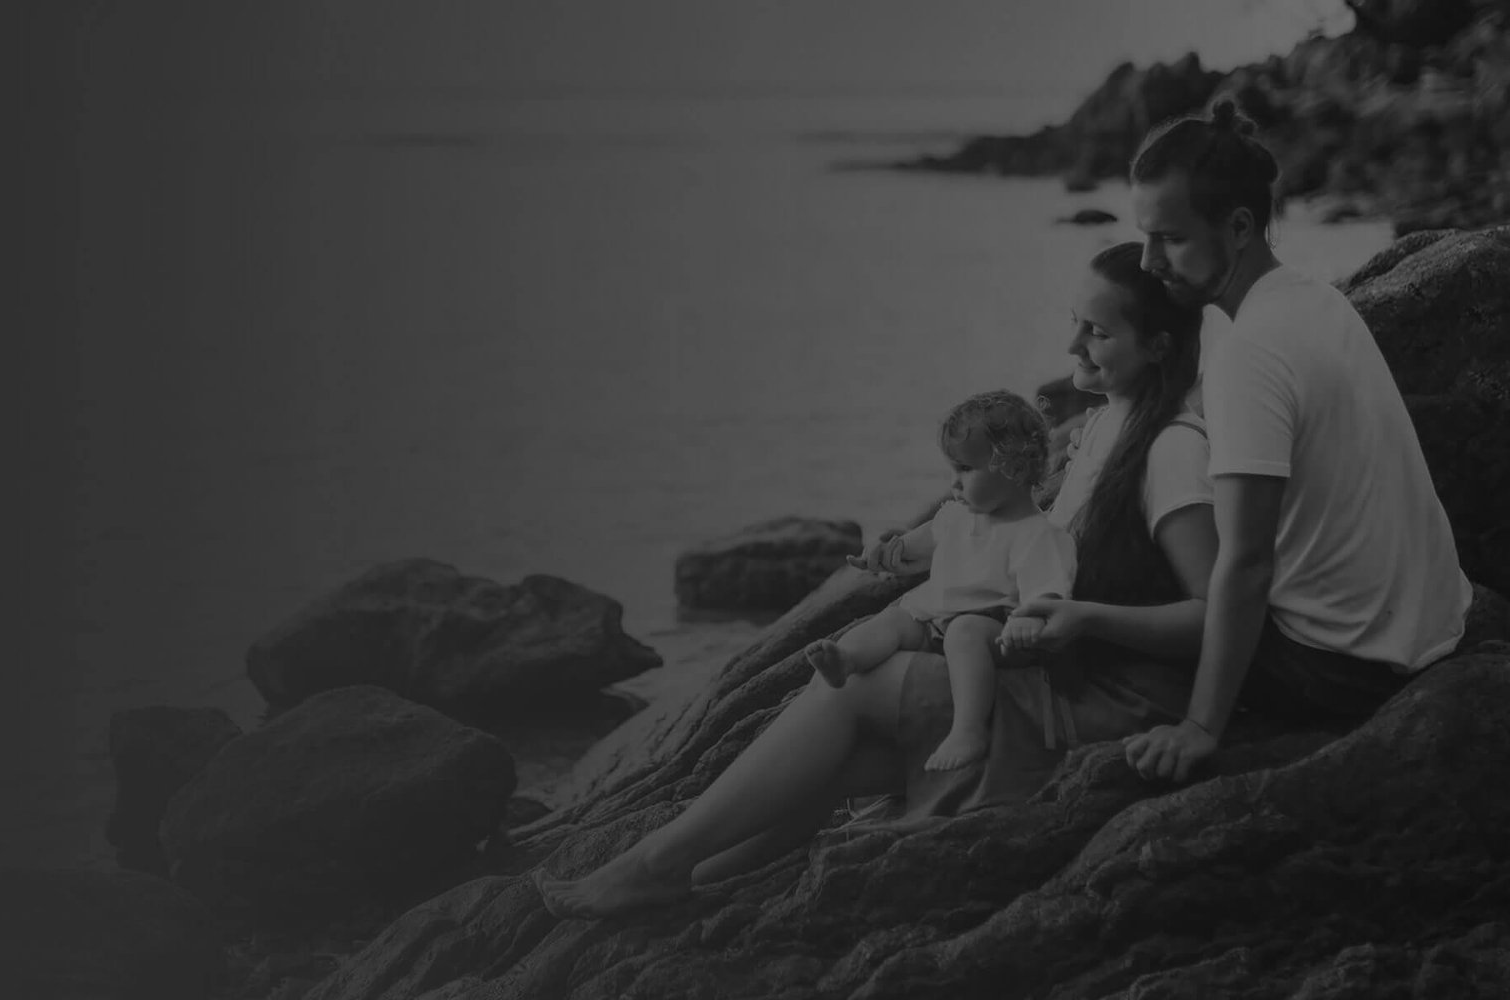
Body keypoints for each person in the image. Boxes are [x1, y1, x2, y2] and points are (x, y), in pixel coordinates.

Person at [535, 242, 1215, 918]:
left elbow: (1214, 615)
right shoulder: (1104, 422)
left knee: (854, 687)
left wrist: (1087, 619)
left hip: (1106, 701)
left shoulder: (1172, 452)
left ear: (1157, 346)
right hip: (1057, 669)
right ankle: (696, 877)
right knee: (844, 748)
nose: (1072, 344)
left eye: (1098, 332)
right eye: (1074, 322)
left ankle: (654, 867)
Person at [1120, 98, 1473, 785]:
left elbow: (1247, 563)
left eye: (1171, 239)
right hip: (1431, 629)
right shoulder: (1313, 299)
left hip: (1343, 668)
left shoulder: (1249, 353)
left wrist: (1201, 727)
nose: (1148, 260)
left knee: (1129, 589)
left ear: (1239, 227)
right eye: (1144, 237)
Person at [802, 391, 1076, 772]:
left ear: (1013, 468)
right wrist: (884, 552)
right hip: (936, 623)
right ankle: (847, 659)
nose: (954, 484)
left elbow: (1047, 591)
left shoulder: (1038, 534)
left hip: (996, 631)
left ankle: (969, 730)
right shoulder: (957, 517)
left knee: (965, 633)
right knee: (895, 619)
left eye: (965, 470)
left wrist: (1030, 620)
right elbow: (913, 545)